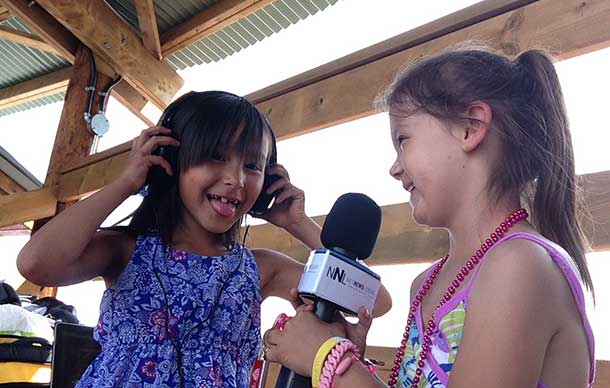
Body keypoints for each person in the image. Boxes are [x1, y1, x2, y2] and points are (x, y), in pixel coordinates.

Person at [263, 46, 596, 388]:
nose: (394, 168)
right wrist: (347, 353)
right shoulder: (425, 285)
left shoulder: (520, 265)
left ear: (470, 128)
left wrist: (329, 358)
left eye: (403, 140)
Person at [16, 91, 392, 387]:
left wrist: (299, 225)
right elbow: (36, 263)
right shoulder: (127, 250)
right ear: (172, 162)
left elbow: (374, 302)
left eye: (252, 166)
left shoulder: (260, 268)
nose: (236, 180)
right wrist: (126, 183)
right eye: (215, 157)